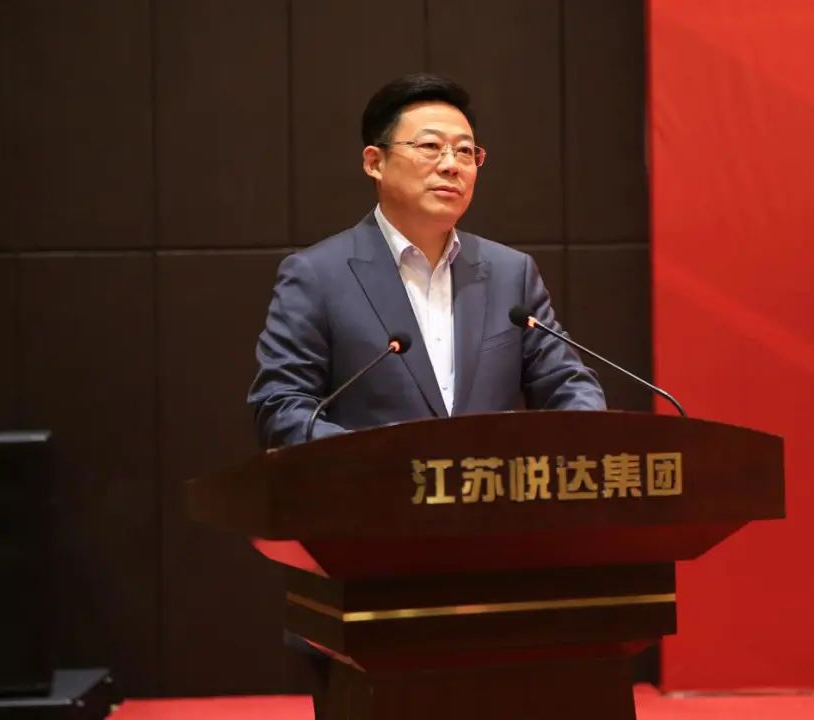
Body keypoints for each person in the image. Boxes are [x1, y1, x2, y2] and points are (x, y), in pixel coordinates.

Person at [246, 72, 606, 719]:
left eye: (467, 151)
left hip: (504, 573)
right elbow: (281, 407)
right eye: (431, 147)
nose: (452, 165)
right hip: (369, 575)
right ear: (374, 162)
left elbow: (569, 383)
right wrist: (384, 469)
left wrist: (581, 445)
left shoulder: (510, 274)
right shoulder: (317, 275)